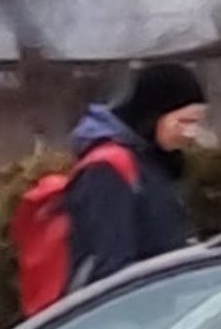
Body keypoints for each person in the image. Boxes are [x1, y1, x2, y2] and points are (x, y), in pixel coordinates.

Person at [64, 62, 210, 294]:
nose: (191, 134)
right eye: (184, 122)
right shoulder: (108, 170)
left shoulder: (153, 162)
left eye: (197, 123)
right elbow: (111, 271)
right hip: (134, 317)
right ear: (154, 115)